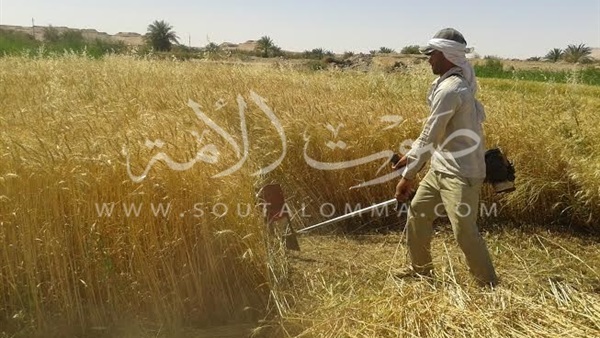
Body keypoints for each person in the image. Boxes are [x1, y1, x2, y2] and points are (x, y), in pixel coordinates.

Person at [392, 28, 498, 285]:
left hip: (462, 173)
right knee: (417, 212)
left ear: (447, 55)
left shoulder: (452, 90)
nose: (429, 60)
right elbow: (430, 132)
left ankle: (488, 285)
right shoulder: (446, 84)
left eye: (432, 55)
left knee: (464, 232)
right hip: (441, 166)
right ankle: (421, 270)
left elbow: (429, 135)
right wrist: (411, 155)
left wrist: (407, 177)